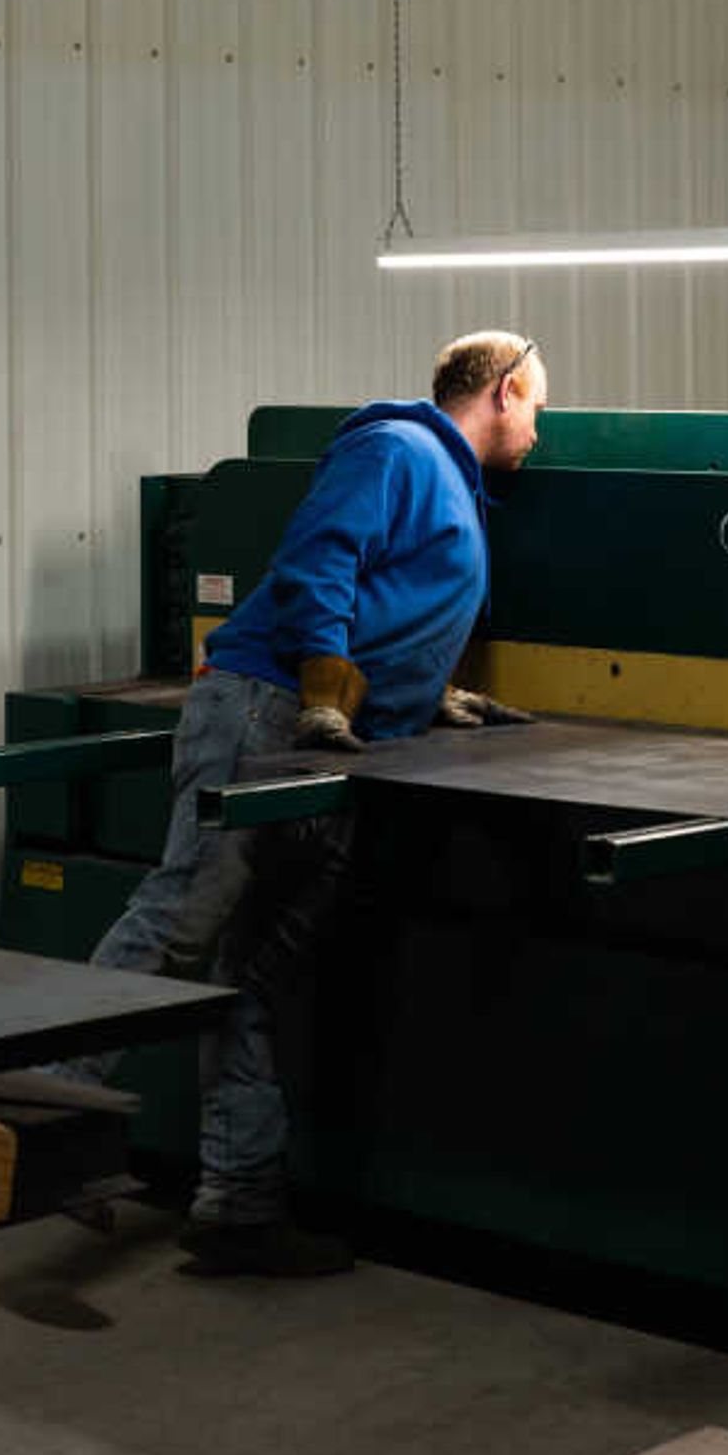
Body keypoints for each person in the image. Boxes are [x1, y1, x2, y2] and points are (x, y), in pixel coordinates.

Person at [74, 330, 549, 1276]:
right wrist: (328, 683)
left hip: (339, 746)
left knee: (252, 972)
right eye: (536, 405)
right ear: (502, 390)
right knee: (178, 927)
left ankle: (239, 1205)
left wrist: (424, 696)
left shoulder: (457, 488)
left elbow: (394, 601)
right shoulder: (398, 447)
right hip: (270, 713)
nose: (540, 429)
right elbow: (320, 558)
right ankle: (34, 1132)